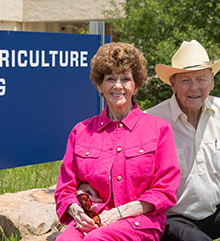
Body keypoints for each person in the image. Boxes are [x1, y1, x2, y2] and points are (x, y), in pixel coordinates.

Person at [54, 42, 181, 241]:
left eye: (125, 79)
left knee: (97, 239)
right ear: (100, 85)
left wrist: (119, 213)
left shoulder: (159, 129)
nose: (118, 85)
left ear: (136, 86)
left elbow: (165, 190)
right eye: (110, 78)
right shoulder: (81, 132)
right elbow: (65, 188)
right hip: (92, 219)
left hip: (140, 221)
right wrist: (76, 211)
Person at [146, 40, 220, 241]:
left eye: (201, 79)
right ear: (173, 84)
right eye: (186, 80)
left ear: (212, 81)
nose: (194, 87)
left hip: (213, 213)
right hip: (171, 219)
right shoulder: (151, 121)